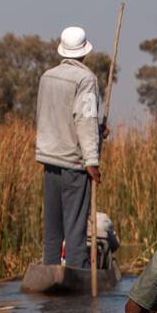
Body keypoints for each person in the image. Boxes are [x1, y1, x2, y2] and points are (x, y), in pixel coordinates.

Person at [35, 25, 102, 268]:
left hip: (49, 160)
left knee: (53, 228)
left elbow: (52, 115)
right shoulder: (86, 79)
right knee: (75, 228)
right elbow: (85, 120)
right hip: (74, 162)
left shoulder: (47, 76)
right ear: (85, 52)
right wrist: (92, 162)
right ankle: (75, 277)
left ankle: (50, 272)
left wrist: (99, 128)